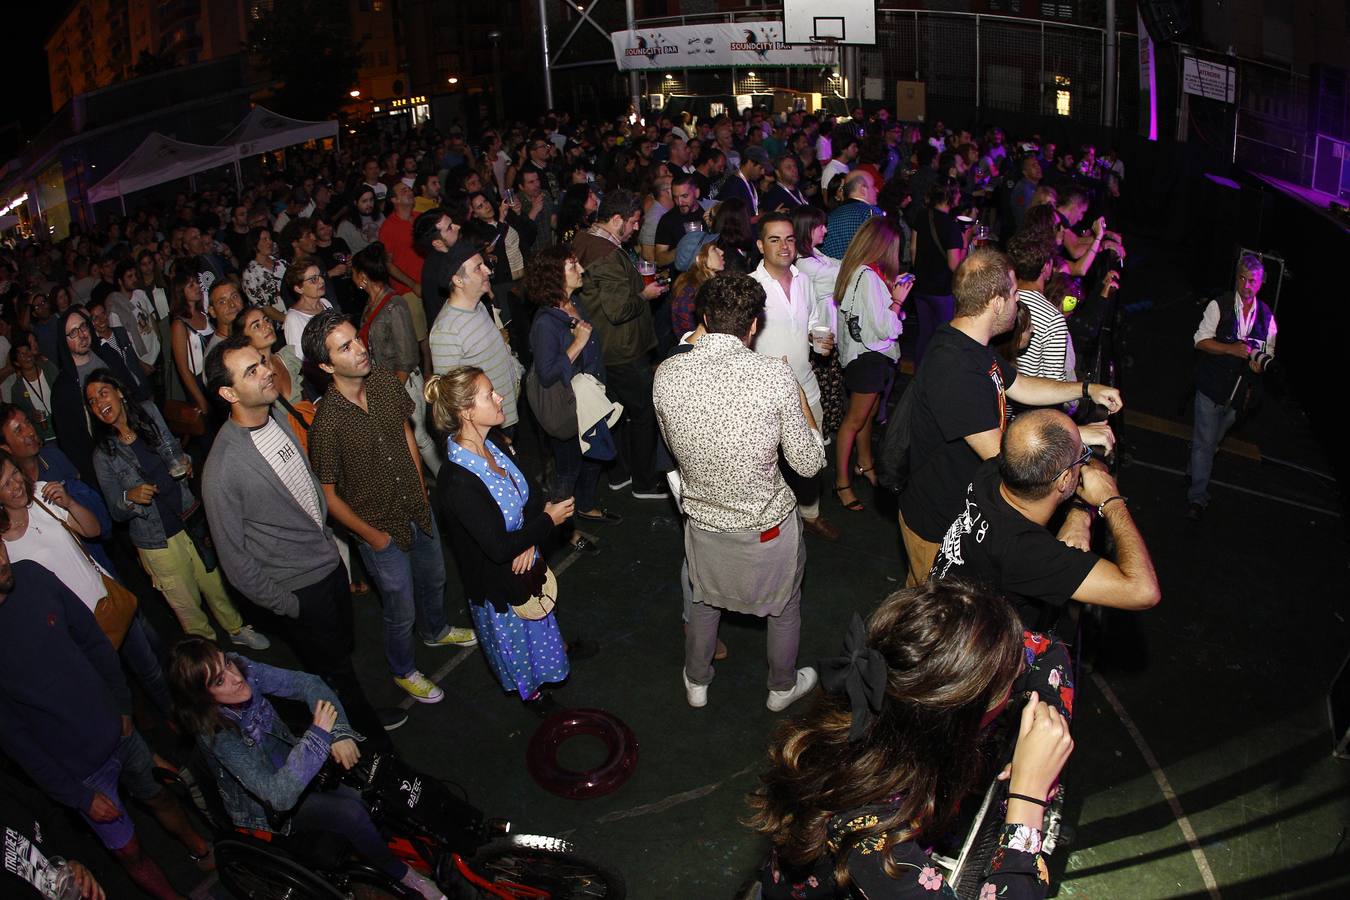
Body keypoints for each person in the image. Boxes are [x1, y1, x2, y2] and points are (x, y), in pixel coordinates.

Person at [749, 583, 1073, 900]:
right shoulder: (873, 841)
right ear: (961, 714)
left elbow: (1045, 650)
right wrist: (1027, 797)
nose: (1021, 672)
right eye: (1011, 681)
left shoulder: (897, 712)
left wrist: (1042, 716)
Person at [202, 335, 402, 745]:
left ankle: (357, 712)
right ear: (228, 393)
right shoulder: (222, 469)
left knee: (341, 656)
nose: (266, 372)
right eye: (251, 371)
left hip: (327, 562)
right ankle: (372, 745)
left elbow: (305, 485)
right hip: (299, 589)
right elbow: (235, 563)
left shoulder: (275, 413)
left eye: (262, 362)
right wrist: (288, 605)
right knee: (333, 671)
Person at [896, 250, 1122, 585]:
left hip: (957, 514)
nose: (1019, 301)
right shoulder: (955, 369)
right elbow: (1006, 456)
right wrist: (1075, 436)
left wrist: (1087, 389)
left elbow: (1021, 386)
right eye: (1015, 293)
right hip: (938, 525)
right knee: (931, 610)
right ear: (997, 302)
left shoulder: (970, 344)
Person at [0, 542, 209, 900]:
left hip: (119, 730)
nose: (1, 557)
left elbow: (94, 641)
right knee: (128, 851)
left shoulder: (32, 574)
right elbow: (15, 742)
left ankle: (202, 851)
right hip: (79, 772)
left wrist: (124, 707)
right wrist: (78, 797)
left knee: (160, 796)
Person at [654, 275, 825, 711]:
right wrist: (799, 397)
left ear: (705, 319)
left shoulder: (666, 373)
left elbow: (675, 448)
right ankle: (781, 689)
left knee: (703, 600)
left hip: (703, 524)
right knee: (784, 607)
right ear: (753, 325)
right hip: (766, 529)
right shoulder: (773, 376)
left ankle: (697, 682)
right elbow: (808, 465)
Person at [165, 639, 445, 900]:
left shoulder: (242, 668)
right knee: (351, 812)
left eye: (226, 662)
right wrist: (320, 736)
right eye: (219, 680)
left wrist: (338, 733)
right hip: (267, 804)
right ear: (203, 698)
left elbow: (306, 683)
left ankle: (383, 842)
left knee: (370, 784)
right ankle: (403, 875)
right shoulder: (217, 736)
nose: (235, 677)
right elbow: (278, 796)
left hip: (293, 758)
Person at [303, 310, 475, 704]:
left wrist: (420, 486)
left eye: (356, 338)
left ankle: (436, 632)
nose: (360, 348)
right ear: (327, 366)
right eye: (345, 347)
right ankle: (402, 669)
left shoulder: (382, 381)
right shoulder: (326, 423)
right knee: (401, 608)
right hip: (378, 527)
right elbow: (327, 496)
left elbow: (406, 433)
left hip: (416, 506)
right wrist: (374, 537)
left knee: (435, 578)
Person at [931, 409, 1161, 634]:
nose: (1086, 461)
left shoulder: (992, 471)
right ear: (1065, 480)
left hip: (941, 606)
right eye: (1083, 455)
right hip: (968, 646)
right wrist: (1112, 502)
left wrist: (1079, 513)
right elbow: (1144, 591)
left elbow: (1092, 471)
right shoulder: (1028, 552)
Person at [85, 371, 269, 649]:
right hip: (156, 542)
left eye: (103, 393)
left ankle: (237, 629)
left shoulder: (148, 413)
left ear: (119, 392)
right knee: (187, 605)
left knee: (216, 584)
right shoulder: (104, 455)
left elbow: (174, 450)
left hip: (189, 517)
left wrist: (186, 460)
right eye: (92, 401)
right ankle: (208, 653)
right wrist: (130, 497)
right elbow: (116, 511)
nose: (99, 403)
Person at [429, 366, 575, 706]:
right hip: (499, 587)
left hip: (526, 568)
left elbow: (533, 495)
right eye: (489, 394)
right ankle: (533, 695)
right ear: (467, 412)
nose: (499, 397)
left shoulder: (494, 443)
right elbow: (497, 549)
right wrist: (546, 523)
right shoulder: (456, 482)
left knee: (542, 628)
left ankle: (556, 659)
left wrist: (528, 539)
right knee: (520, 648)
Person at [571, 188, 669, 499]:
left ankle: (619, 473)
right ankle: (644, 482)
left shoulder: (583, 239)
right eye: (634, 221)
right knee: (643, 413)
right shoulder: (607, 255)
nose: (637, 227)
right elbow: (618, 310)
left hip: (601, 345)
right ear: (616, 219)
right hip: (622, 349)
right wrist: (645, 294)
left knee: (613, 411)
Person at [525, 245, 621, 548]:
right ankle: (562, 531)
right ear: (554, 276)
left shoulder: (574, 302)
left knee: (593, 456)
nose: (581, 270)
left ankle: (586, 505)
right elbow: (547, 374)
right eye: (572, 266)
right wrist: (578, 343)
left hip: (589, 399)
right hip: (568, 407)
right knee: (568, 471)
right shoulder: (545, 323)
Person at [749, 212, 837, 541]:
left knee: (812, 459)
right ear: (761, 245)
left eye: (789, 239)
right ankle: (770, 526)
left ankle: (810, 514)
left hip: (806, 389)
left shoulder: (804, 280)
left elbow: (812, 321)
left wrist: (818, 339)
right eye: (774, 239)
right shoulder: (751, 287)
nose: (784, 246)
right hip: (763, 397)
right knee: (765, 466)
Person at [1187, 253, 1277, 520]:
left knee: (1211, 440)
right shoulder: (1220, 305)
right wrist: (1231, 349)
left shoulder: (1267, 317)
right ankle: (1197, 498)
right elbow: (1200, 341)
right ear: (1237, 278)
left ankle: (1193, 468)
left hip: (1239, 395)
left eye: (1253, 281)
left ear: (1261, 283)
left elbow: (1268, 355)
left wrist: (1258, 366)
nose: (1247, 286)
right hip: (1211, 385)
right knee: (1205, 444)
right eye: (1243, 279)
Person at [832, 218, 910, 513]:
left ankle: (864, 464)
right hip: (867, 359)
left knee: (867, 415)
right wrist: (898, 301)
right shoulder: (867, 277)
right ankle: (842, 483)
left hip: (864, 356)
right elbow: (885, 328)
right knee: (854, 421)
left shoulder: (862, 272)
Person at [350, 243, 440, 473]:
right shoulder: (370, 305)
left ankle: (443, 479)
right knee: (404, 441)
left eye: (353, 272)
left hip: (404, 383)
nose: (351, 277)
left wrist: (391, 392)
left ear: (362, 277)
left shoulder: (394, 305)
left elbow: (407, 356)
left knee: (419, 438)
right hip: (385, 384)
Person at [51, 306, 155, 484]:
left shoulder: (108, 355)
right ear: (64, 341)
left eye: (83, 326)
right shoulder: (63, 389)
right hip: (109, 463)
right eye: (73, 333)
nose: (82, 335)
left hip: (138, 441)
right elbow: (72, 443)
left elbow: (133, 395)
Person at [428, 242, 523, 430]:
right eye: (478, 268)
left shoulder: (478, 306)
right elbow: (450, 398)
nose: (487, 270)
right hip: (489, 427)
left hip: (505, 414)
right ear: (458, 281)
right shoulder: (446, 331)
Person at [909, 177, 969, 366]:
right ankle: (939, 374)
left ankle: (919, 373)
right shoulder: (952, 227)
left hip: (921, 286)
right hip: (942, 291)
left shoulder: (921, 215)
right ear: (950, 197)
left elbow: (913, 249)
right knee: (943, 336)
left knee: (924, 334)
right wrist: (965, 241)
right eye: (957, 193)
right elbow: (954, 266)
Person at [669, 231, 723, 337]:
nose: (721, 252)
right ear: (699, 259)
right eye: (714, 249)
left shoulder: (709, 285)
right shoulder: (690, 296)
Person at [819, 171, 882, 260]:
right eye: (873, 186)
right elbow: (881, 252)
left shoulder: (829, 218)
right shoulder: (871, 213)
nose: (877, 190)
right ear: (863, 190)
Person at [8, 339, 58, 443]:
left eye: (28, 351)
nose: (28, 355)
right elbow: (19, 416)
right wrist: (31, 416)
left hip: (63, 426)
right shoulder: (17, 389)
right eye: (22, 354)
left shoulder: (49, 369)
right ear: (17, 363)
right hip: (43, 438)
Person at [282, 261, 333, 360]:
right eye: (313, 279)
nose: (322, 281)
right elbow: (299, 357)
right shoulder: (294, 318)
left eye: (320, 275)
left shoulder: (325, 303)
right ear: (299, 289)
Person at [652, 174, 705, 267]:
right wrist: (682, 249)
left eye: (685, 196)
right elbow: (659, 260)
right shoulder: (668, 220)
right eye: (675, 197)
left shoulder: (708, 215)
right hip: (681, 275)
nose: (680, 202)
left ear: (697, 193)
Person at [241, 227, 288, 323]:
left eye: (270, 239)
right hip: (275, 323)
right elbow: (263, 307)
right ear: (254, 244)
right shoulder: (250, 274)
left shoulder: (282, 263)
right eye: (264, 239)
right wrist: (288, 320)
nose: (269, 242)